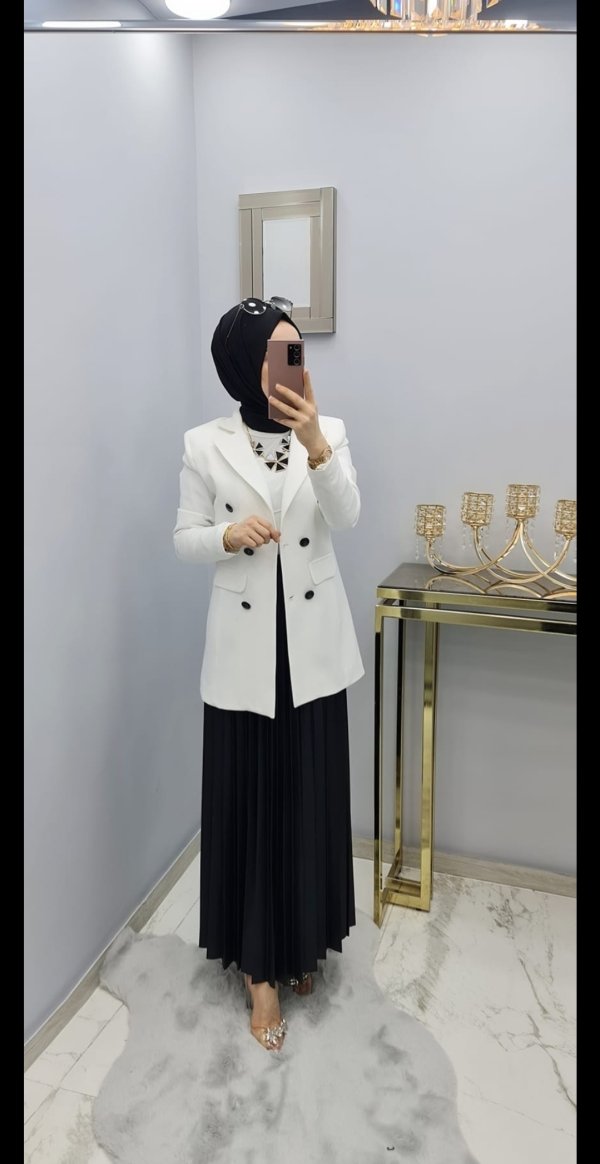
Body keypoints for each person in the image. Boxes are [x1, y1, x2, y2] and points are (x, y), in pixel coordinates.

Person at [173, 297, 364, 1051]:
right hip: (246, 653)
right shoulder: (203, 444)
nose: (293, 364)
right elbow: (184, 538)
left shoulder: (330, 430)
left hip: (312, 649)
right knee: (253, 801)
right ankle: (259, 971)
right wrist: (226, 535)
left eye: (297, 350)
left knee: (308, 795)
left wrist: (316, 445)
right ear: (242, 362)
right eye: (278, 351)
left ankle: (304, 943)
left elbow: (346, 517)